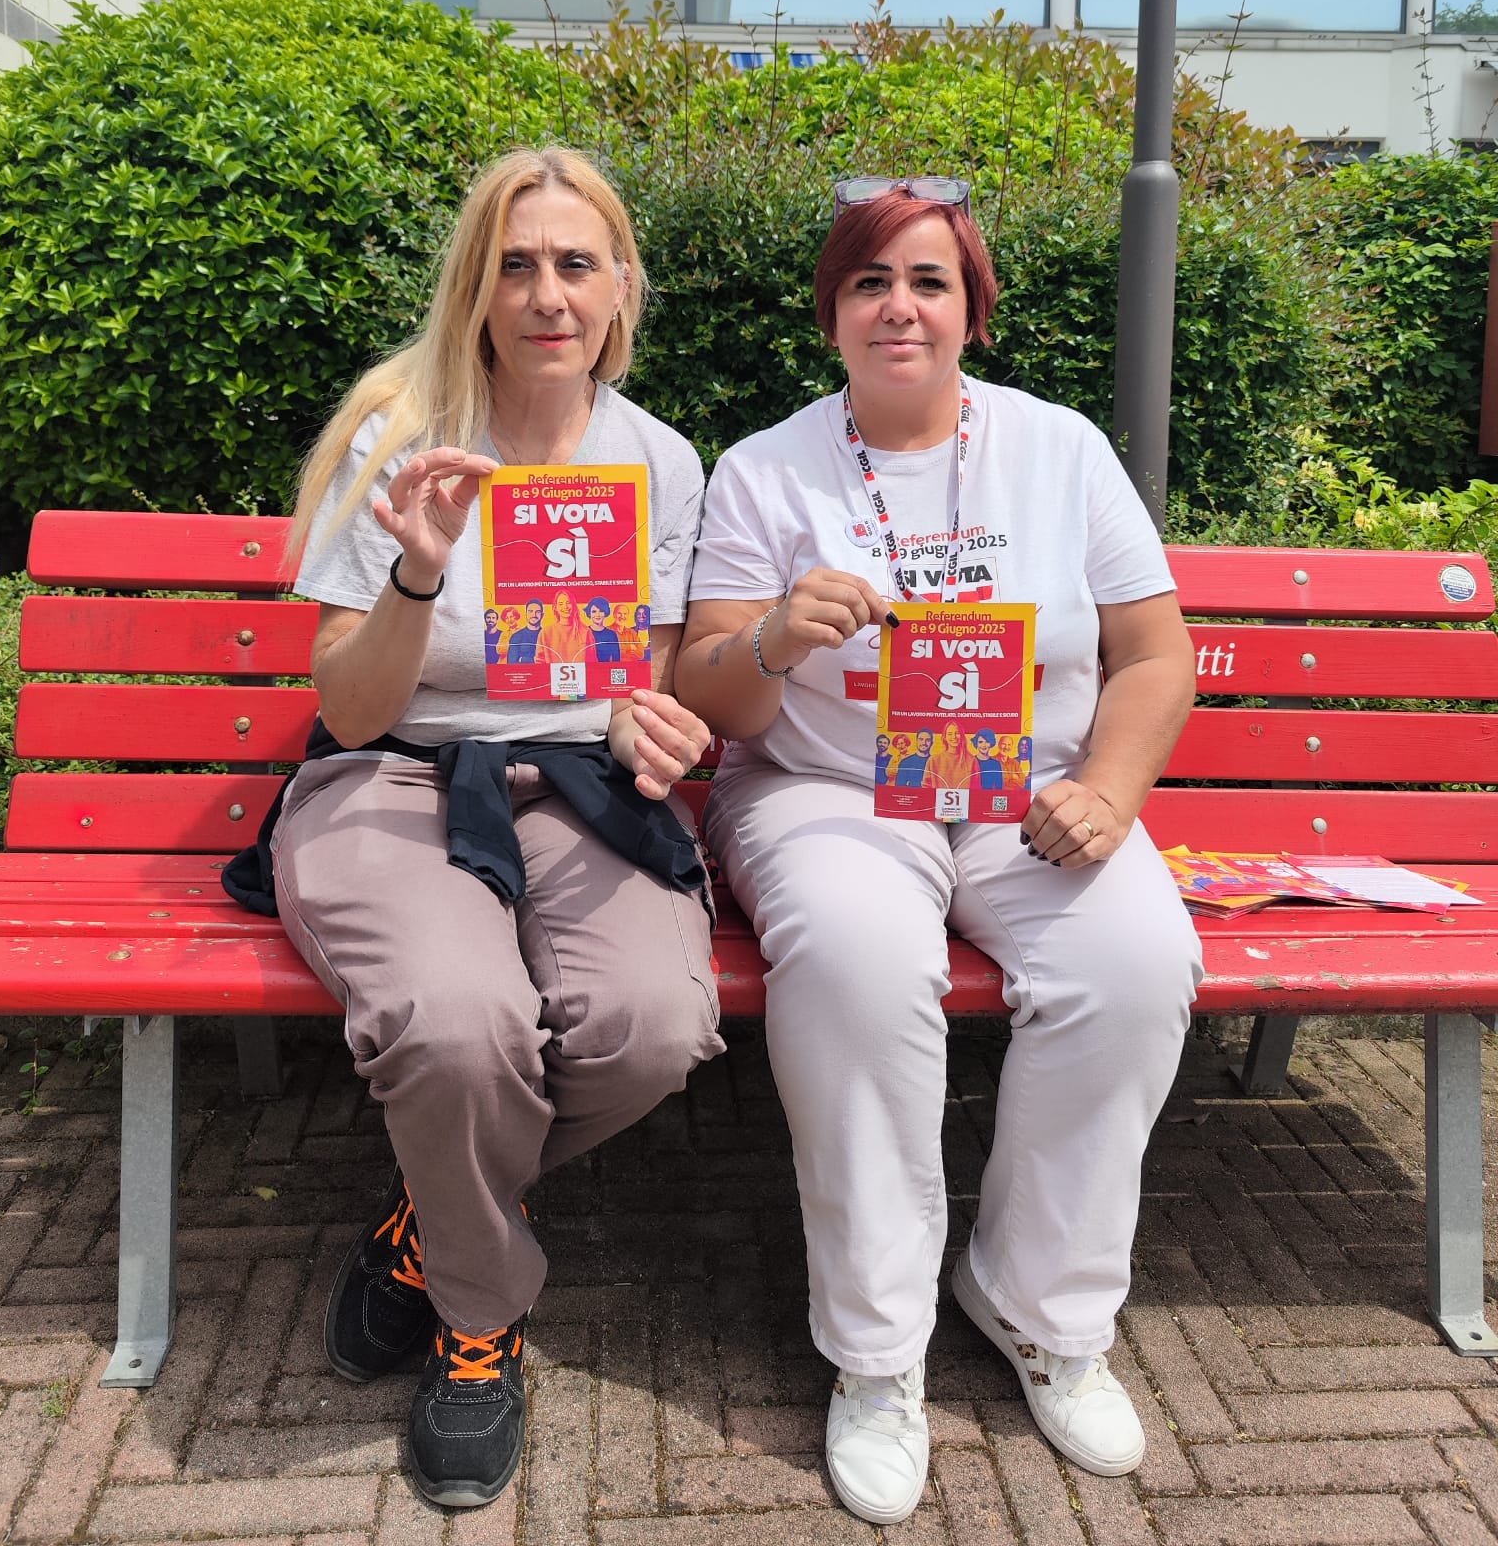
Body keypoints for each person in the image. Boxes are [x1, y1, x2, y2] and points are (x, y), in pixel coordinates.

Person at [676, 175, 1200, 1526]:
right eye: (869, 282)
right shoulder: (765, 469)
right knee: (857, 963)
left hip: (1027, 788)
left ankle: (1040, 1308)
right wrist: (774, 637)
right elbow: (713, 695)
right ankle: (876, 1352)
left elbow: (1155, 654)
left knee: (1137, 961)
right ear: (831, 315)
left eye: (929, 281)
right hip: (828, 789)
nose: (899, 307)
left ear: (973, 308)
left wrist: (1110, 788)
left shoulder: (1058, 449)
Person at [240, 145, 723, 1511]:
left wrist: (649, 723)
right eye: (515, 265)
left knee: (652, 1025)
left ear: (620, 285)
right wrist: (417, 572)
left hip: (578, 785)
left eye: (575, 262)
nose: (546, 293)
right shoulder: (401, 436)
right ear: (476, 286)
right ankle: (476, 1319)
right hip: (393, 777)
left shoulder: (658, 459)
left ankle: (425, 1220)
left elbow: (645, 676)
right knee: (459, 1027)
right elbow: (348, 709)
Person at [584, 597, 623, 662]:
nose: (597, 615)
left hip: (605, 667)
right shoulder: (584, 633)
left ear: (605, 613)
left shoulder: (611, 635)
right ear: (589, 613)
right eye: (594, 611)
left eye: (601, 611)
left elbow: (616, 659)